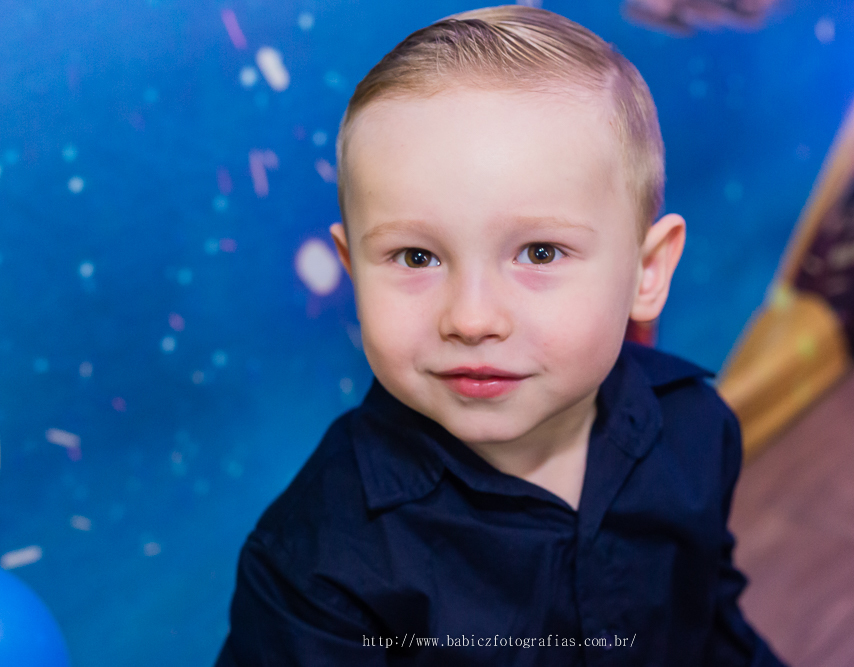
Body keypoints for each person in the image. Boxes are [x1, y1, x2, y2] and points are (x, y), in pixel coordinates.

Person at [216, 6, 786, 665]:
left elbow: (709, 620)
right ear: (351, 271)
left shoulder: (695, 428)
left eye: (540, 252)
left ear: (646, 271)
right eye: (416, 257)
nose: (472, 317)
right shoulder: (317, 563)